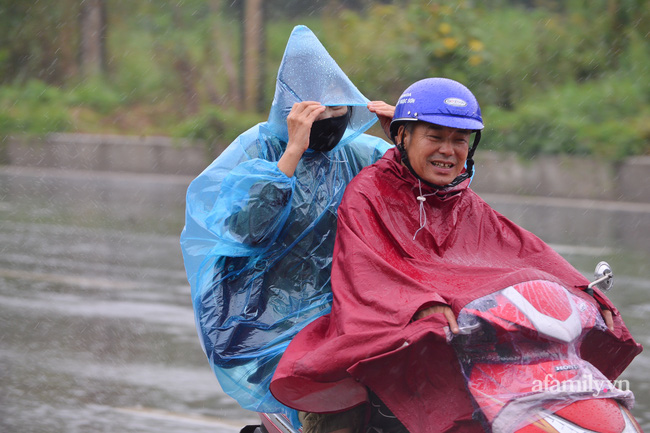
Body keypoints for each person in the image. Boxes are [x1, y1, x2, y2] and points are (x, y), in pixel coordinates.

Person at [270, 78, 643, 432]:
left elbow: (523, 254)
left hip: (458, 340)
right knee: (342, 413)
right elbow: (367, 270)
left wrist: (582, 290)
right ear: (402, 136)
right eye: (435, 137)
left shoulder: (461, 199)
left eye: (459, 140)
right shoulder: (368, 191)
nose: (448, 151)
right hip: (384, 335)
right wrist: (419, 304)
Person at [179, 25, 393, 426]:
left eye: (338, 108)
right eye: (317, 111)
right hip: (269, 318)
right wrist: (292, 154)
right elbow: (246, 230)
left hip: (345, 318)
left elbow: (424, 202)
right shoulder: (259, 149)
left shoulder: (360, 155)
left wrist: (408, 144)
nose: (330, 119)